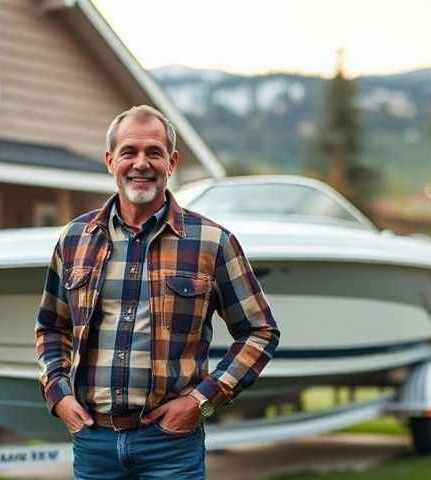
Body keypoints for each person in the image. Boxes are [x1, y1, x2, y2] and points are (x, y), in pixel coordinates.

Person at [36, 105, 280, 479]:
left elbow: (260, 332)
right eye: (128, 152)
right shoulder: (74, 239)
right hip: (93, 442)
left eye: (154, 152)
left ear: (172, 162)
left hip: (171, 446)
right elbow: (52, 327)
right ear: (109, 161)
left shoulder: (212, 242)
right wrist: (59, 397)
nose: (141, 163)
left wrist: (202, 402)